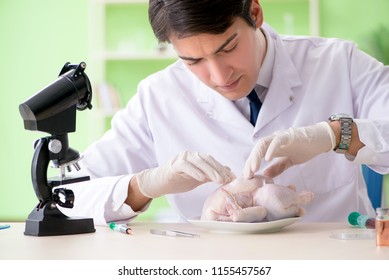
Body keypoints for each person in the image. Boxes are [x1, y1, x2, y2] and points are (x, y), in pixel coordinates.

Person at [62, 0, 389, 225]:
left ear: (256, 13)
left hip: (327, 265)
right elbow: (67, 197)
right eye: (193, 61)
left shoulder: (338, 62)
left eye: (228, 48)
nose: (219, 77)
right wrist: (145, 185)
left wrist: (334, 136)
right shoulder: (158, 97)